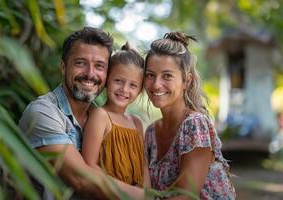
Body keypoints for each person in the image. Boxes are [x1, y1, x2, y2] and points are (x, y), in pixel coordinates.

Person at [19, 27, 144, 199]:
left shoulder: (101, 118)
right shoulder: (43, 112)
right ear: (64, 67)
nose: (90, 74)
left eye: (99, 66)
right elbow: (83, 181)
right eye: (80, 63)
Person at [143, 31, 236, 199]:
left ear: (187, 81)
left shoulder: (194, 124)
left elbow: (186, 196)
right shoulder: (151, 132)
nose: (156, 84)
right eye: (150, 75)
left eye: (167, 76)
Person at [82, 42, 150, 187]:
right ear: (107, 80)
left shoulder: (136, 122)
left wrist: (147, 194)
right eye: (118, 81)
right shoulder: (100, 116)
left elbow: (144, 167)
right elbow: (89, 164)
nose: (124, 89)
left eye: (133, 85)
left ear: (140, 90)